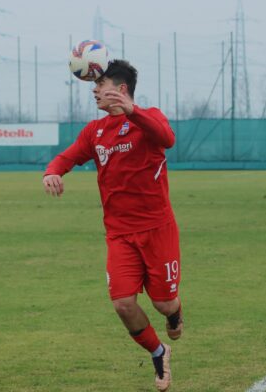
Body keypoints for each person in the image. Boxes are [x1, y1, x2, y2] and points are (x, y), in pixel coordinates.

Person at [43, 60, 183, 391]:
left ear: (120, 90)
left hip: (157, 228)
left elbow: (167, 138)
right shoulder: (95, 132)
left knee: (163, 303)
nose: (93, 90)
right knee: (122, 302)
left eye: (99, 84)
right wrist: (52, 171)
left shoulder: (149, 118)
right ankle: (159, 352)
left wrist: (133, 111)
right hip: (119, 234)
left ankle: (174, 314)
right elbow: (68, 157)